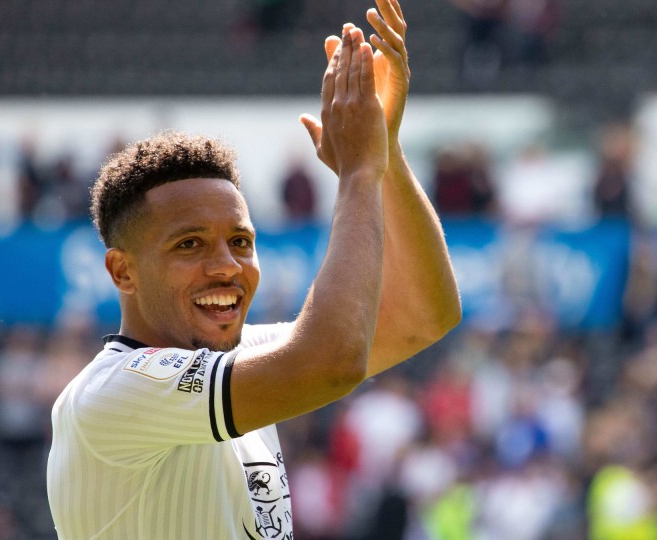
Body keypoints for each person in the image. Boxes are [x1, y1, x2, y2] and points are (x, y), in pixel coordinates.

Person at [46, 0, 461, 537]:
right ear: (122, 271)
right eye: (189, 244)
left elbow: (423, 317)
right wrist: (359, 173)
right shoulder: (113, 392)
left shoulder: (238, 363)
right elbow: (330, 362)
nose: (226, 266)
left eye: (240, 241)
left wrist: (385, 152)